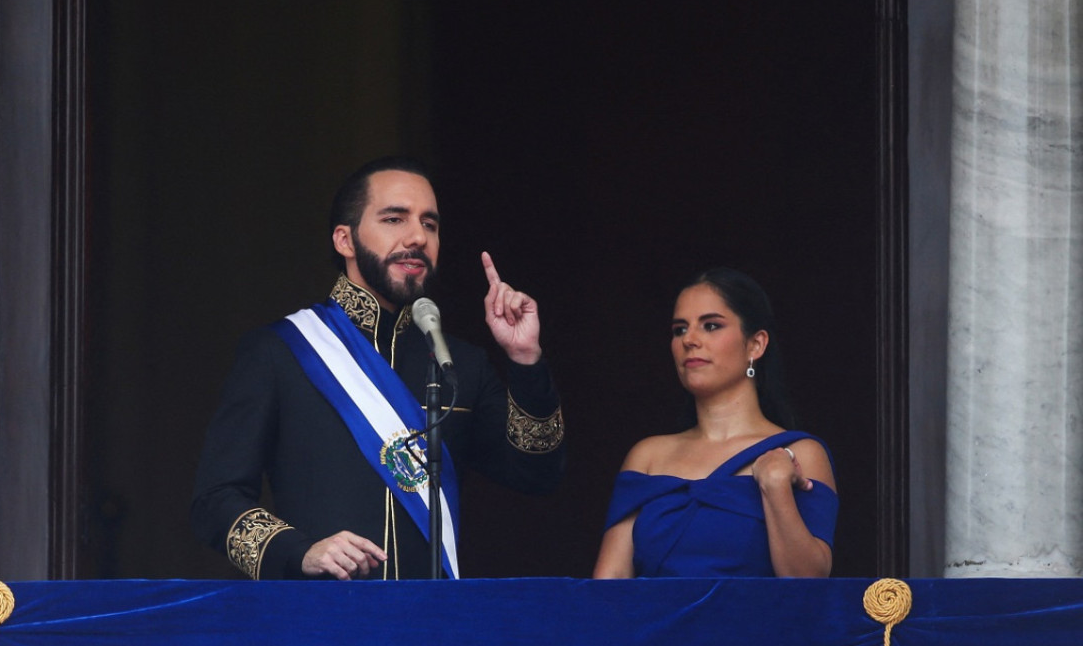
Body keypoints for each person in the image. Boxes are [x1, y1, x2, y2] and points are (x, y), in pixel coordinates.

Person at [191, 156, 565, 581]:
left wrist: (526, 360)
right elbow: (215, 500)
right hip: (320, 622)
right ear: (344, 240)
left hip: (431, 623)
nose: (417, 237)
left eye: (430, 224)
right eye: (394, 219)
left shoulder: (460, 363)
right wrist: (301, 552)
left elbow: (537, 475)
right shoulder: (280, 351)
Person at [593, 267, 837, 578]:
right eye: (680, 329)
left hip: (754, 627)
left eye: (710, 326)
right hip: (652, 627)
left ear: (756, 345)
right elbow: (606, 590)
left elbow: (810, 588)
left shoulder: (800, 452)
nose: (690, 340)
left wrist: (776, 489)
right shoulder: (648, 456)